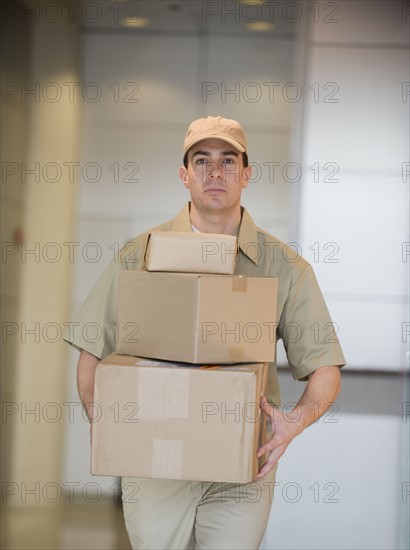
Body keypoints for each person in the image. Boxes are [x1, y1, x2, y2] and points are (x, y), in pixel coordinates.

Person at [65, 116, 345, 550]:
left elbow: (324, 367)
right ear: (185, 174)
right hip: (154, 464)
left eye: (229, 161)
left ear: (247, 174)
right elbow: (91, 351)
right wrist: (103, 419)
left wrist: (294, 422)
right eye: (202, 160)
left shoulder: (286, 268)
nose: (216, 172)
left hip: (242, 466)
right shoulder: (139, 256)